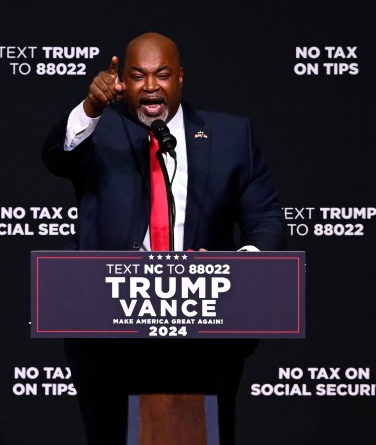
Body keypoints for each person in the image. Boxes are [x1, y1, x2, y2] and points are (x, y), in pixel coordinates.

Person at [41, 32, 285, 444]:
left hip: (206, 327)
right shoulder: (99, 129)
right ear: (123, 83)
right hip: (108, 330)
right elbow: (56, 157)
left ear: (181, 78)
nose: (151, 86)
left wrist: (238, 267)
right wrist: (90, 107)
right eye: (137, 76)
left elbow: (266, 218)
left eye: (162, 75)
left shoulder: (230, 136)